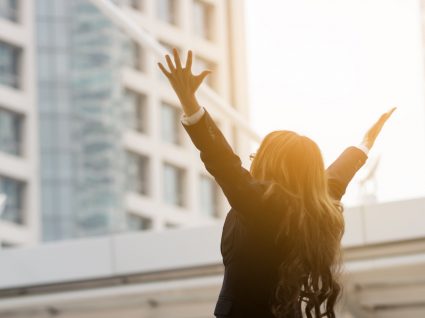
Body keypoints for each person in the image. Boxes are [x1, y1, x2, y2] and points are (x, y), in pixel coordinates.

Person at [158, 49, 395, 318]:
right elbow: (336, 178)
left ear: (271, 161)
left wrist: (189, 102)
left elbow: (222, 160)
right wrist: (362, 146)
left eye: (260, 152)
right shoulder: (310, 209)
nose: (253, 156)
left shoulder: (260, 205)